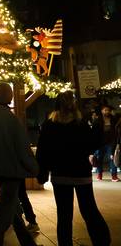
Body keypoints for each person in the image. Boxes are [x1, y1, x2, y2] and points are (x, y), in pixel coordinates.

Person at [37, 90, 111, 246]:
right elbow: (93, 144)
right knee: (89, 210)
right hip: (81, 173)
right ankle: (102, 241)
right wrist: (98, 124)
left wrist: (42, 172)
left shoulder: (49, 125)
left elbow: (43, 151)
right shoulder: (80, 123)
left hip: (60, 174)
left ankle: (65, 243)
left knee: (64, 215)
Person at [0, 83, 38, 246]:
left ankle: (27, 242)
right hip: (12, 170)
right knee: (4, 212)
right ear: (8, 96)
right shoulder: (12, 119)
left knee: (13, 209)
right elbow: (22, 148)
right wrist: (33, 168)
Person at [98, 104, 118, 181]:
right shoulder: (98, 120)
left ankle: (114, 175)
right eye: (105, 110)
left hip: (111, 142)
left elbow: (116, 130)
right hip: (100, 143)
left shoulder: (113, 119)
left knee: (112, 158)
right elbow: (95, 132)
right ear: (102, 111)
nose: (107, 112)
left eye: (108, 110)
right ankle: (99, 174)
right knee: (99, 159)